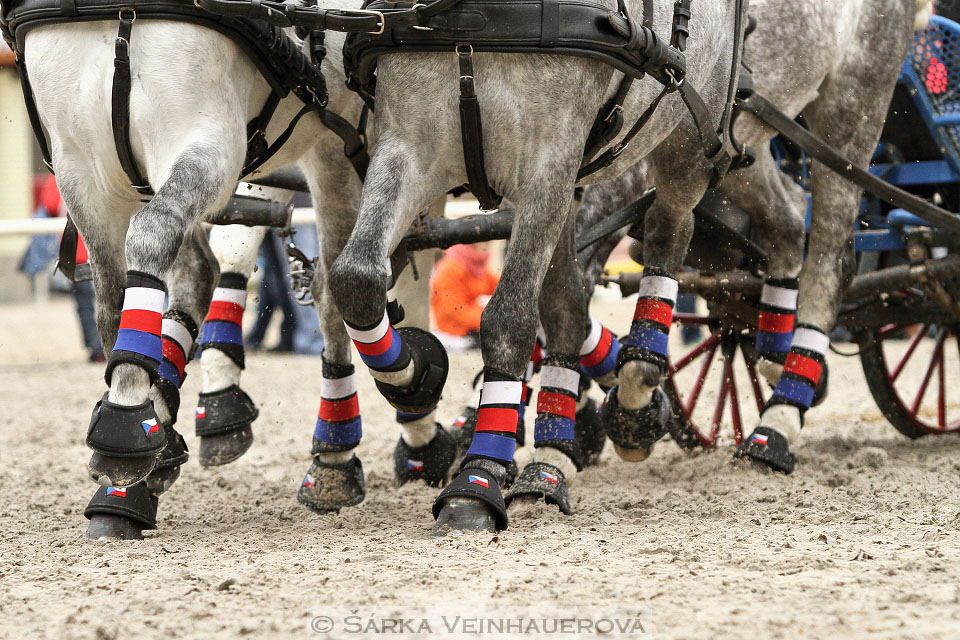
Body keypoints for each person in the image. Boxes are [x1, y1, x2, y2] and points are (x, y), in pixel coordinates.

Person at [430, 242, 499, 350]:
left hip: (475, 327)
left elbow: (500, 289)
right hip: (456, 332)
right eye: (485, 240)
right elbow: (456, 310)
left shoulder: (478, 268)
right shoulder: (451, 268)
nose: (488, 244)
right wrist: (492, 320)